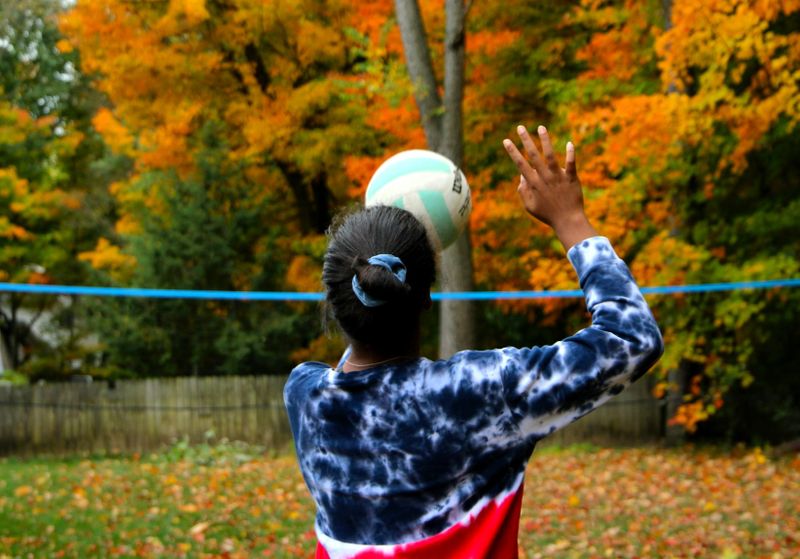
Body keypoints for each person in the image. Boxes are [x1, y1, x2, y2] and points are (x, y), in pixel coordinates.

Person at [284, 125, 664, 558]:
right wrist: (571, 220)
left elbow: (356, 345)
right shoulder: (482, 392)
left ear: (334, 300)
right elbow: (631, 337)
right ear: (425, 297)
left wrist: (378, 249)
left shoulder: (303, 394)